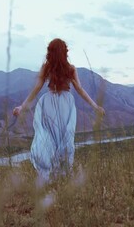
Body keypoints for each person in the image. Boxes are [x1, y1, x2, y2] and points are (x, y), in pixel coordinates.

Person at [13, 38, 105, 183]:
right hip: (65, 104)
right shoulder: (69, 68)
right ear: (65, 52)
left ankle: (51, 173)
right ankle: (61, 174)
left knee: (48, 136)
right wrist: (95, 106)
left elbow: (36, 89)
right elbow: (80, 90)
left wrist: (22, 106)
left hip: (49, 102)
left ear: (50, 52)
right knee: (65, 136)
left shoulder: (49, 67)